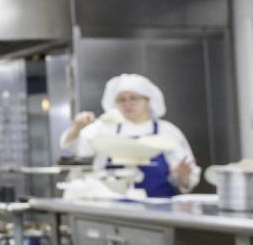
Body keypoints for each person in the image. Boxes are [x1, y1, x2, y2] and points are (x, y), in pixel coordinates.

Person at [61, 73, 199, 197]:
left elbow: (185, 181)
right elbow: (71, 146)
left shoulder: (167, 131)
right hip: (114, 207)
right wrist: (77, 127)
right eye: (121, 100)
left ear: (148, 101)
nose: (127, 104)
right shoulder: (105, 128)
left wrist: (183, 175)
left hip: (159, 206)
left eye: (134, 98)